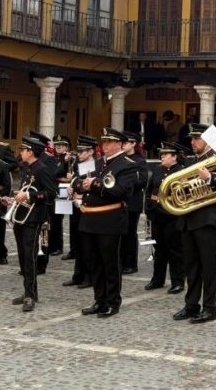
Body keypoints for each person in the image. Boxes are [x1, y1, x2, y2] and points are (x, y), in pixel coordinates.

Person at [172, 123, 216, 324]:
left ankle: (210, 307)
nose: (192, 143)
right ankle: (191, 304)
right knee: (191, 266)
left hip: (208, 219)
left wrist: (211, 178)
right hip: (188, 218)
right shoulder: (192, 161)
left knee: (208, 266)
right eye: (191, 139)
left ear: (207, 141)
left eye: (196, 139)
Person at [77, 129, 139, 318]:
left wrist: (94, 185)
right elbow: (79, 180)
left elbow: (121, 192)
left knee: (110, 263)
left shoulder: (127, 165)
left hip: (110, 219)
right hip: (90, 218)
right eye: (104, 142)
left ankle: (112, 301)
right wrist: (81, 185)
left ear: (120, 144)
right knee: (94, 263)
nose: (105, 146)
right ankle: (99, 299)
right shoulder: (96, 163)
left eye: (110, 142)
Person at [11, 135, 58, 312]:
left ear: (30, 152)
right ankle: (29, 291)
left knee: (29, 257)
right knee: (22, 255)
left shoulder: (41, 169)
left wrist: (29, 196)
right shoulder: (27, 168)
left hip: (34, 217)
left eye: (23, 150)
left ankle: (30, 295)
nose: (21, 153)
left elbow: (51, 193)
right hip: (22, 215)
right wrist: (17, 197)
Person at [145, 141, 187, 294]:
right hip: (157, 216)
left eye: (165, 154)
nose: (162, 157)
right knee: (159, 250)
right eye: (161, 154)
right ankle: (157, 279)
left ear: (174, 157)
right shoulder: (157, 170)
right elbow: (149, 191)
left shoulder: (182, 171)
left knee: (175, 251)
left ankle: (178, 281)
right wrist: (149, 209)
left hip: (172, 217)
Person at [63, 136, 97, 290]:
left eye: (83, 151)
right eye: (79, 151)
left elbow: (87, 186)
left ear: (91, 151)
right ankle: (78, 275)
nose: (80, 154)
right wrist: (72, 187)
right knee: (77, 242)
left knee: (87, 244)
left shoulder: (94, 165)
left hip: (87, 208)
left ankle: (88, 276)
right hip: (76, 207)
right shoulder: (79, 165)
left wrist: (77, 188)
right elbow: (77, 182)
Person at [120, 131, 147, 274]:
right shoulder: (120, 159)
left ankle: (131, 263)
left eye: (126, 143)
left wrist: (126, 181)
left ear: (133, 144)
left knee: (130, 233)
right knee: (120, 232)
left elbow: (143, 181)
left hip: (133, 202)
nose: (123, 145)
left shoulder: (139, 160)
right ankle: (121, 260)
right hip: (119, 200)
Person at [48, 135, 73, 257]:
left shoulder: (71, 158)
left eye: (61, 145)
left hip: (66, 189)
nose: (58, 147)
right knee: (53, 219)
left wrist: (65, 162)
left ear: (67, 146)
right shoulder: (53, 158)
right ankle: (54, 246)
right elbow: (53, 173)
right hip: (56, 189)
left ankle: (62, 247)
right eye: (57, 145)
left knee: (62, 219)